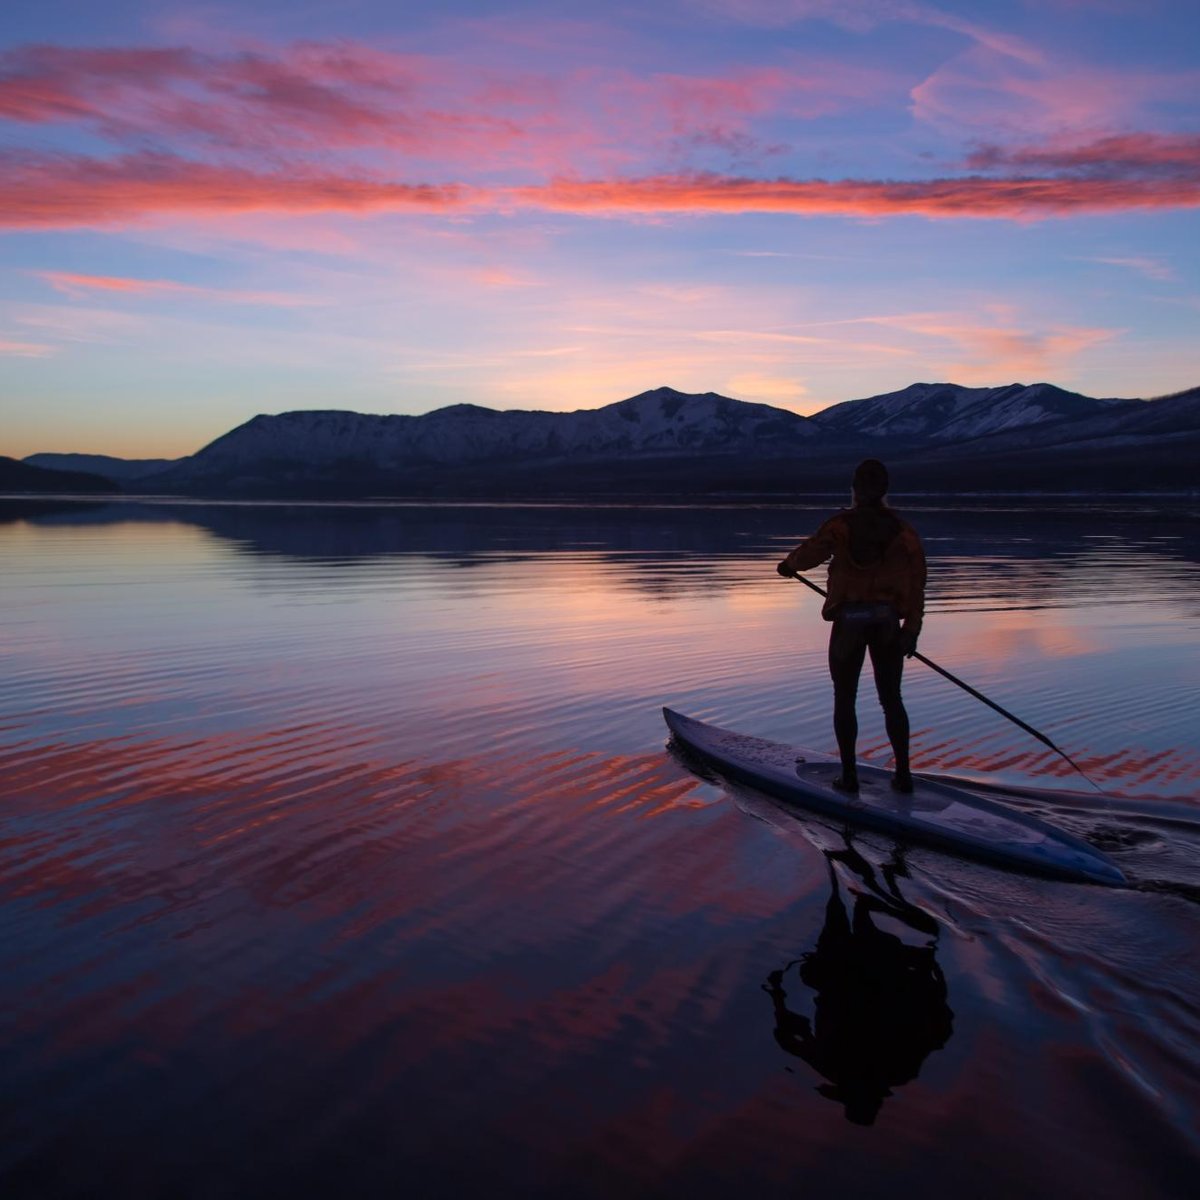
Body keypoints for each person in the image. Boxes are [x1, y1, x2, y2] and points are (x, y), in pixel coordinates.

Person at [776, 459, 925, 794]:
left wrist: (788, 566)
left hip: (849, 624)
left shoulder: (840, 526)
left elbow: (811, 553)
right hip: (887, 623)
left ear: (855, 489)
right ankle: (903, 776)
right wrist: (910, 632)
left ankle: (850, 777)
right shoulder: (905, 534)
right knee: (892, 699)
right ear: (885, 490)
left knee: (845, 698)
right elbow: (917, 588)